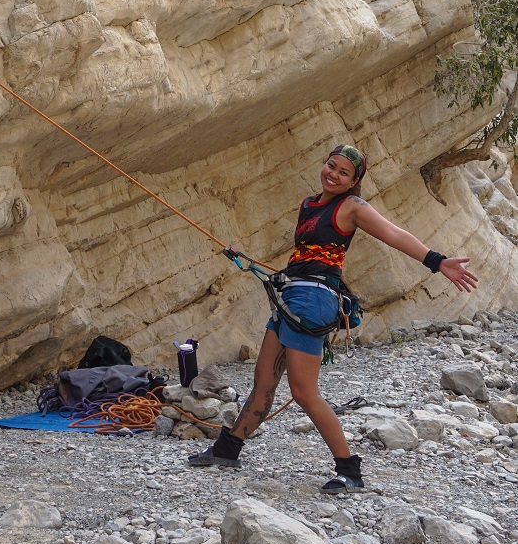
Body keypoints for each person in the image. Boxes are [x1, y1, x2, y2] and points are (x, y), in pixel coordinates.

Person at [190, 143, 478, 491]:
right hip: (291, 296)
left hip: (314, 301)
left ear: (355, 180)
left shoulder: (352, 207)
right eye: (331, 166)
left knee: (303, 392)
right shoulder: (309, 204)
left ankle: (349, 470)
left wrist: (437, 261)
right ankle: (227, 449)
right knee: (264, 379)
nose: (334, 175)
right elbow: (307, 252)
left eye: (344, 172)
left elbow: (393, 233)